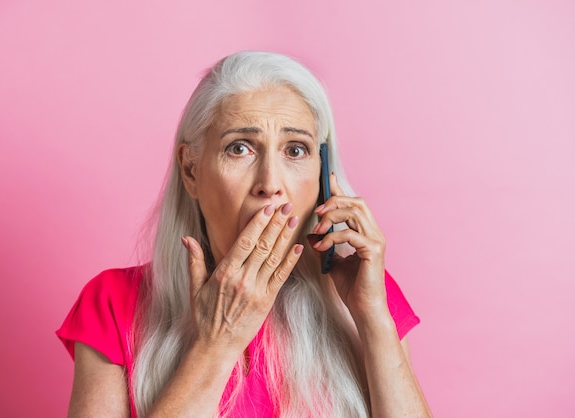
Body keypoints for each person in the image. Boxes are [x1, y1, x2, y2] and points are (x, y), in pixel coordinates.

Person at [56, 51, 432, 418]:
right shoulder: (112, 304)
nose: (270, 184)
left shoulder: (367, 293)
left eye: (295, 149)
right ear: (191, 170)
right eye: (240, 148)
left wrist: (374, 319)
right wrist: (215, 345)